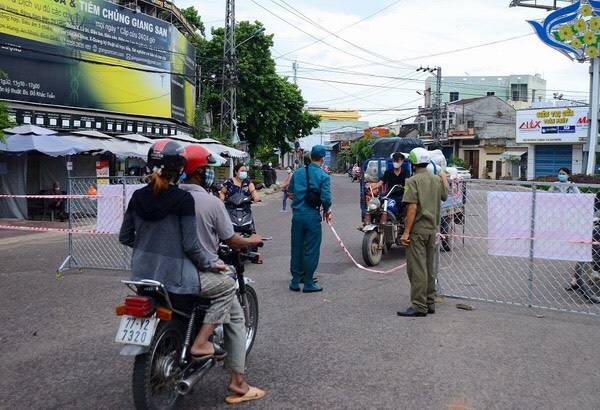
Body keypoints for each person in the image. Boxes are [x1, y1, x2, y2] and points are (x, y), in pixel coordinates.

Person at [119, 139, 233, 361]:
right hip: (176, 278)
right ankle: (200, 343)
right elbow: (191, 246)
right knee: (228, 287)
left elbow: (125, 236)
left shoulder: (138, 196)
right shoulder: (183, 199)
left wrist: (148, 246)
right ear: (180, 168)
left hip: (142, 276)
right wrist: (211, 264)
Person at [179, 145, 266, 404]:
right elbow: (230, 239)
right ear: (198, 173)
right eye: (206, 170)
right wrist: (253, 242)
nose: (210, 175)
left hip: (168, 273)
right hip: (202, 271)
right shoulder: (211, 202)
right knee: (236, 317)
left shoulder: (169, 197)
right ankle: (237, 382)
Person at [397, 147, 449, 317]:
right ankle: (429, 302)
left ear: (412, 163)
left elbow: (412, 207)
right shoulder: (436, 180)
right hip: (431, 229)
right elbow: (445, 196)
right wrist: (442, 174)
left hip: (417, 231)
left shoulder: (413, 181)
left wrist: (406, 232)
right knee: (429, 267)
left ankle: (419, 305)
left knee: (417, 268)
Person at [287, 145, 332, 292]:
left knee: (296, 248)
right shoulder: (323, 176)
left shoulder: (298, 173)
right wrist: (326, 210)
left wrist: (296, 205)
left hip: (297, 216)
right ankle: (308, 283)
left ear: (310, 156)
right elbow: (326, 198)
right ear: (323, 158)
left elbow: (290, 192)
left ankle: (294, 281)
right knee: (311, 250)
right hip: (312, 216)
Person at [550, 167, 582, 290]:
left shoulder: (572, 186)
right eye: (560, 174)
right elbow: (547, 198)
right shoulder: (554, 185)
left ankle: (576, 280)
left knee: (579, 250)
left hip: (570, 217)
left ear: (568, 176)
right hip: (556, 216)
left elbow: (580, 198)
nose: (561, 176)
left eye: (563, 174)